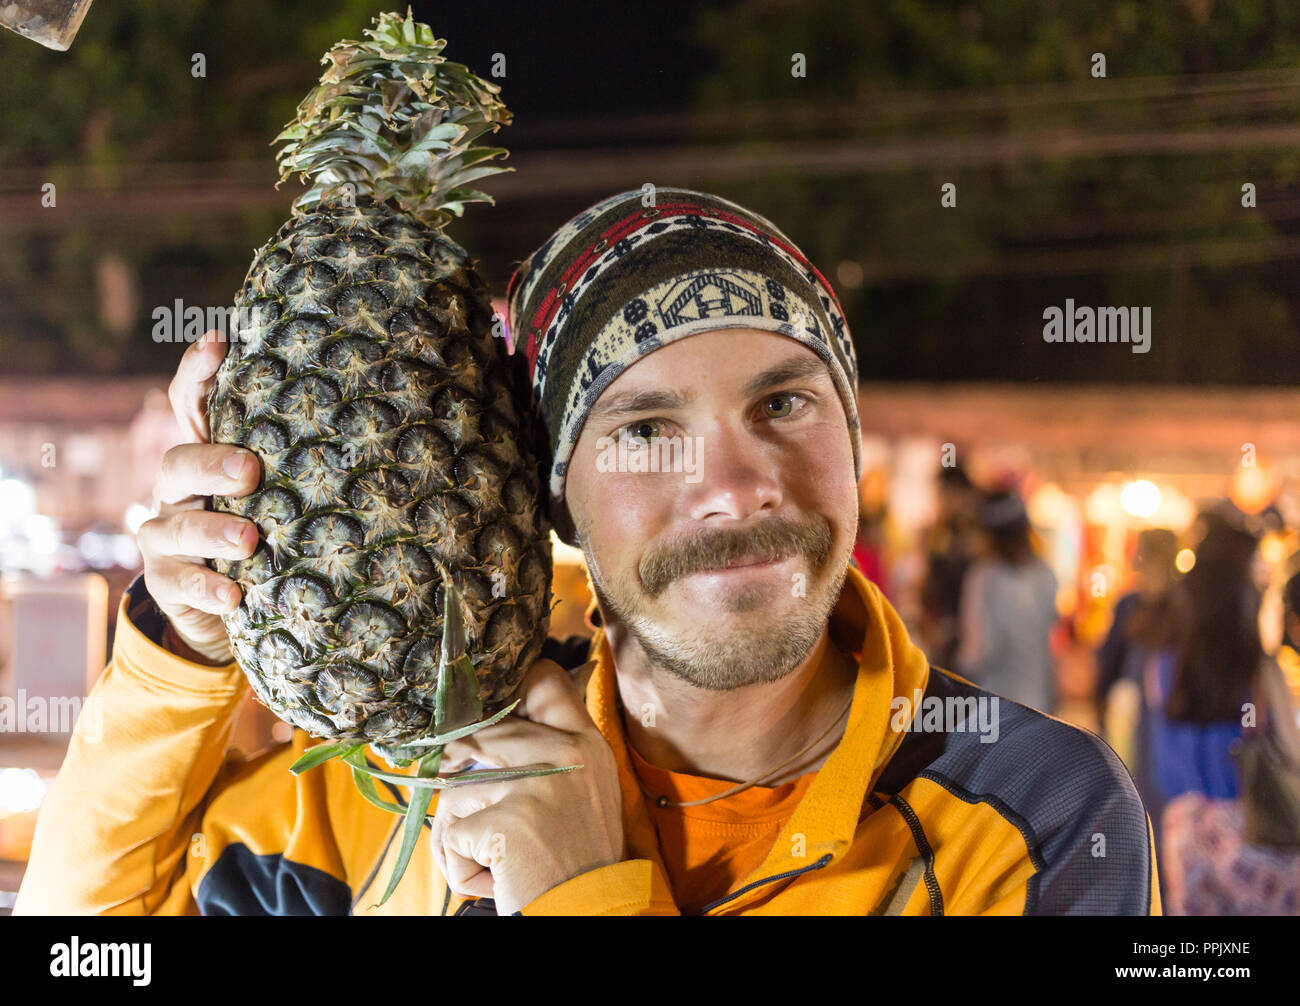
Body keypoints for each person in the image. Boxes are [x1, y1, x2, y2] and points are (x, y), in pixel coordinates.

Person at [16, 189, 1158, 916]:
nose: (734, 486)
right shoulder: (413, 775)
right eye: (647, 430)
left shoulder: (1040, 815)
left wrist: (582, 896)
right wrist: (184, 652)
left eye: (785, 405)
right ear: (552, 497)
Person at [1095, 528, 1180, 826]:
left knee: (1151, 797)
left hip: (1160, 719)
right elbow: (1108, 665)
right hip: (1135, 717)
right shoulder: (1131, 605)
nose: (1135, 563)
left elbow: (1107, 665)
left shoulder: (1176, 607)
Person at [955, 490, 1059, 713]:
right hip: (1038, 702)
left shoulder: (984, 577)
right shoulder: (1046, 576)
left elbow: (979, 651)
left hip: (994, 703)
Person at [919, 463, 979, 670]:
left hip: (970, 635)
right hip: (942, 632)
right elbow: (930, 584)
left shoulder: (977, 536)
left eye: (947, 493)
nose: (943, 501)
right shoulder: (938, 535)